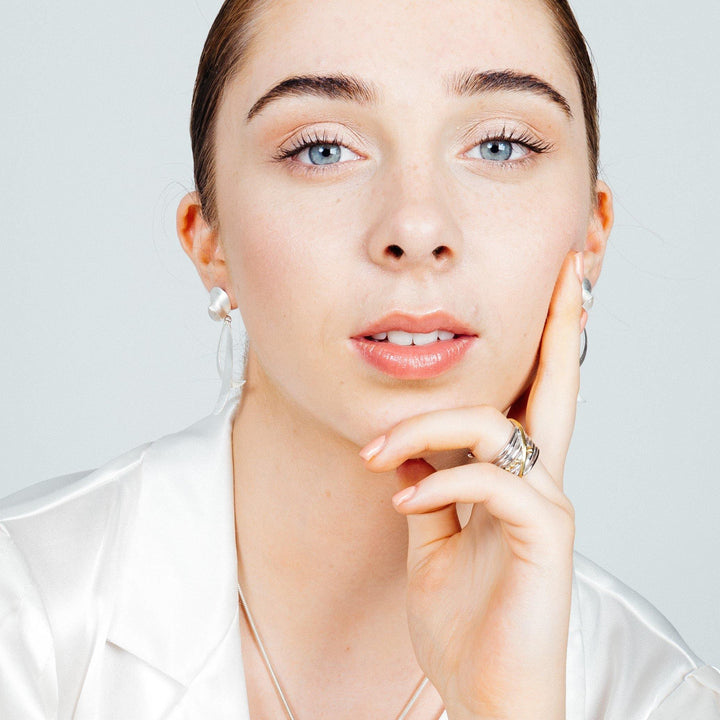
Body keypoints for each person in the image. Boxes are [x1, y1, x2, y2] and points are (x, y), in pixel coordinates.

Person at [1, 0, 718, 718]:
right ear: (208, 238)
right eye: (322, 149)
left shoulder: (661, 696)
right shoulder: (25, 611)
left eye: (500, 145)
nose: (416, 226)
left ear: (590, 234)